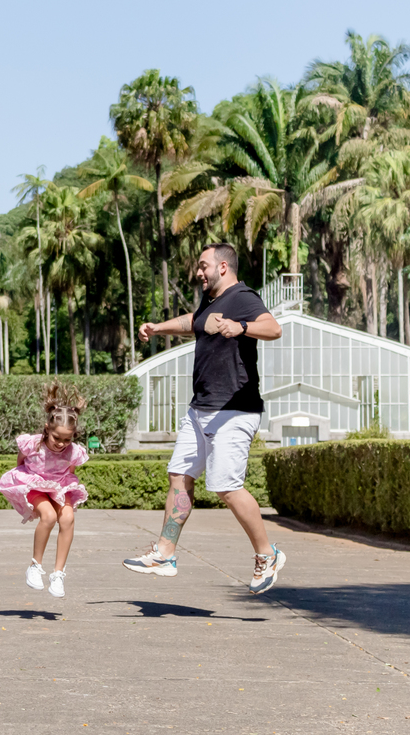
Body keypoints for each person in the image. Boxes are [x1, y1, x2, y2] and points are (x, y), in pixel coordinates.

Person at [122, 242, 287, 593]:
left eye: (203, 265)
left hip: (233, 410)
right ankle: (164, 553)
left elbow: (273, 328)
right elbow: (193, 322)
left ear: (223, 266)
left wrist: (241, 327)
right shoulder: (211, 301)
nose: (198, 272)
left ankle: (267, 554)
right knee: (179, 477)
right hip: (200, 408)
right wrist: (158, 328)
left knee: (227, 487)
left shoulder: (242, 297)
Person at [0, 382, 89, 598]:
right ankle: (35, 566)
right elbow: (21, 463)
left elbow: (70, 471)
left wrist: (61, 493)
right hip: (36, 484)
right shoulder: (33, 444)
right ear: (47, 428)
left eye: (67, 439)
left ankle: (58, 574)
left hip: (59, 486)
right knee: (48, 516)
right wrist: (25, 487)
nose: (61, 444)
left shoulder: (73, 451)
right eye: (57, 438)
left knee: (67, 518)